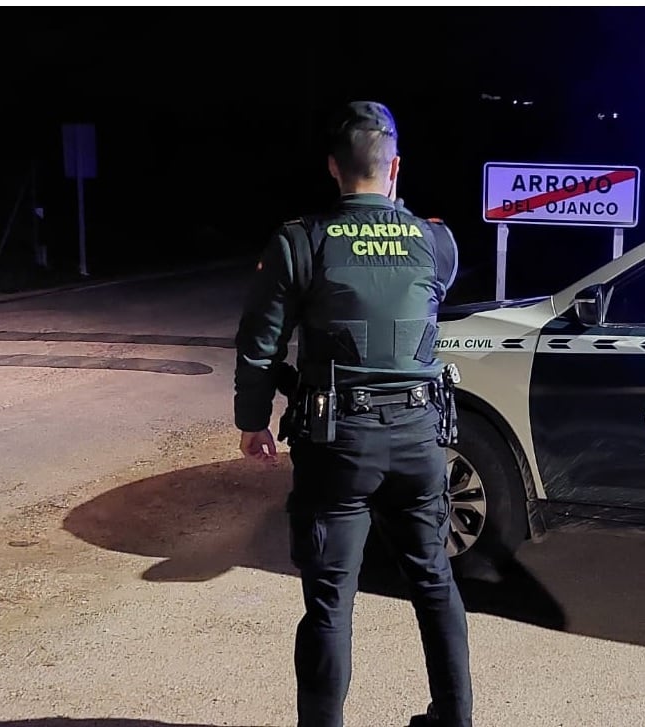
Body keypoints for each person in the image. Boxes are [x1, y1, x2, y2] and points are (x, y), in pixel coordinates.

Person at [232, 100, 473, 727]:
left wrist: (252, 420)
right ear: (395, 167)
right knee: (434, 584)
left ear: (334, 169)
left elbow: (262, 343)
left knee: (331, 602)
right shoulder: (436, 241)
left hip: (338, 443)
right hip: (421, 440)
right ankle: (455, 720)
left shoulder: (300, 241)